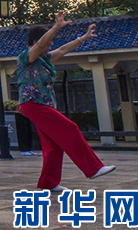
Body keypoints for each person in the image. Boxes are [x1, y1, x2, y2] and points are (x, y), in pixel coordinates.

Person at [17, 12, 114, 192]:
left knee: (53, 146)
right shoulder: (27, 56)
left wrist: (83, 37)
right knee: (70, 129)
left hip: (42, 105)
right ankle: (93, 168)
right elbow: (39, 45)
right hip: (33, 103)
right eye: (49, 41)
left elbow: (63, 50)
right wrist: (55, 27)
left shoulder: (44, 59)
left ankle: (48, 182)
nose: (52, 45)